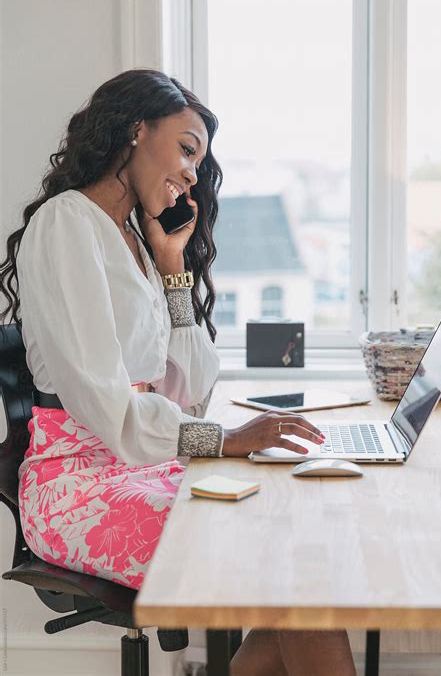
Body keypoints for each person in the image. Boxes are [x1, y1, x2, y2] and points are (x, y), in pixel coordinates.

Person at [0, 69, 356, 675]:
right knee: (298, 579)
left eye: (199, 160)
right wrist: (227, 440)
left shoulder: (133, 239)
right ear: (137, 129)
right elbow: (103, 403)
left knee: (300, 563)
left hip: (142, 463)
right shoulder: (66, 223)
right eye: (187, 148)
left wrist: (170, 265)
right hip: (78, 485)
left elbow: (188, 390)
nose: (193, 172)